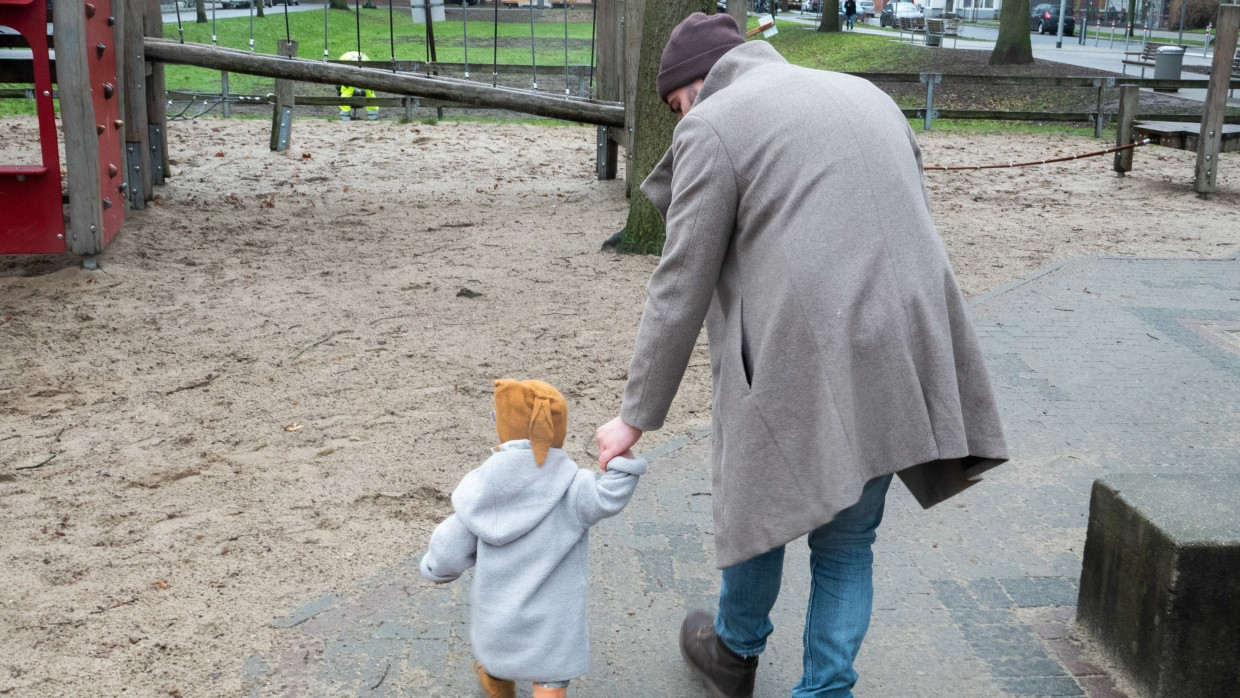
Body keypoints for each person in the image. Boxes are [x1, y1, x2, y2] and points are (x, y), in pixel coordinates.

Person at [594, 12, 1008, 698]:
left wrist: (634, 417)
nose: (679, 119)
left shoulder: (713, 122)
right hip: (906, 338)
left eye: (675, 105)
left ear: (697, 86)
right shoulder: (865, 93)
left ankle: (733, 653)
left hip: (808, 344)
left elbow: (680, 281)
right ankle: (825, 689)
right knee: (849, 539)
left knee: (759, 497)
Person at [421, 379, 647, 698]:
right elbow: (611, 495)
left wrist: (438, 570)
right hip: (553, 628)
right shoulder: (573, 488)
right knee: (550, 682)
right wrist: (621, 458)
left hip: (498, 621)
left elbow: (450, 542)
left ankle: (496, 680)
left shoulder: (481, 492)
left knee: (497, 662)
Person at [337, 51, 379, 121]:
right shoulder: (364, 58)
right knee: (369, 90)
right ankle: (373, 112)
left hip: (349, 71)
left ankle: (345, 113)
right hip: (365, 71)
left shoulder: (345, 57)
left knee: (346, 90)